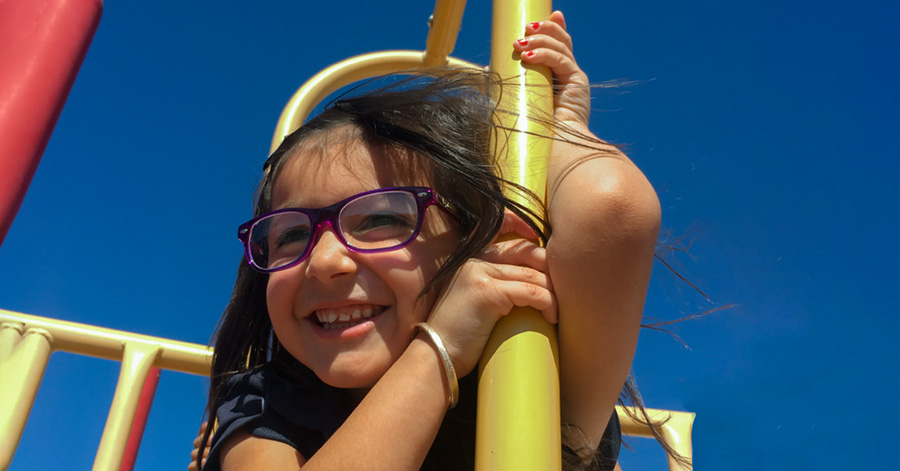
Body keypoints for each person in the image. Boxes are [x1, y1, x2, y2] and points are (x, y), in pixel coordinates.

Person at [193, 11, 661, 471]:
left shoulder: (528, 373)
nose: (324, 261)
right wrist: (440, 349)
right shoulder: (267, 400)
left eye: (379, 220)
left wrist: (558, 127)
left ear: (475, 246)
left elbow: (612, 209)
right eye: (291, 234)